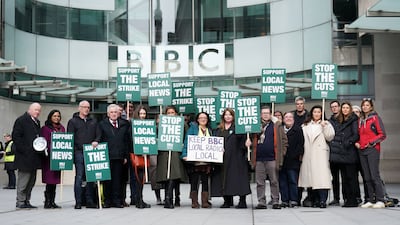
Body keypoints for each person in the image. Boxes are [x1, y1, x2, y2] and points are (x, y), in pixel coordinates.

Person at [211, 108, 252, 209]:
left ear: (233, 117)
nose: (228, 116)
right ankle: (227, 200)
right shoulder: (219, 129)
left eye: (230, 115)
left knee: (239, 179)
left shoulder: (239, 128)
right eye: (226, 115)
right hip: (223, 159)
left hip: (237, 158)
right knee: (224, 179)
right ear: (223, 116)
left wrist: (247, 143)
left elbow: (244, 141)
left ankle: (242, 201)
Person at [298, 105, 335, 208]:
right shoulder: (305, 125)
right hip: (308, 154)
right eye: (315, 112)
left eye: (319, 112)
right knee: (311, 178)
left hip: (320, 155)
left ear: (322, 114)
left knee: (322, 178)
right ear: (312, 113)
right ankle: (314, 200)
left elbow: (330, 137)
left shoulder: (326, 124)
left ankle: (323, 200)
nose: (317, 114)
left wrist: (325, 127)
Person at [67, 100, 101, 209]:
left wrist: (96, 141)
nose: (86, 109)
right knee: (79, 177)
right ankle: (78, 201)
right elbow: (70, 137)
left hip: (91, 151)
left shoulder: (93, 121)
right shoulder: (73, 121)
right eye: (84, 107)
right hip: (79, 152)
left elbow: (99, 134)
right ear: (79, 108)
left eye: (88, 107)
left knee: (91, 177)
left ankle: (89, 200)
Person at [252, 106, 288, 210]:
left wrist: (282, 154)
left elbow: (284, 141)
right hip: (258, 158)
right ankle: (261, 201)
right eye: (263, 113)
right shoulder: (255, 126)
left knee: (274, 181)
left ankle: (275, 201)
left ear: (270, 114)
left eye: (267, 113)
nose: (265, 115)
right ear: (260, 115)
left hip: (272, 158)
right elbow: (250, 138)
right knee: (260, 182)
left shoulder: (277, 125)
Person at [355, 98, 386, 209]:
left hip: (372, 150)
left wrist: (371, 142)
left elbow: (382, 135)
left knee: (374, 175)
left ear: (371, 107)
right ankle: (370, 200)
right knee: (367, 177)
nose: (365, 107)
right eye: (363, 105)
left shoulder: (375, 118)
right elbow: (360, 135)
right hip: (362, 150)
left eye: (367, 105)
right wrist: (358, 143)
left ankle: (380, 200)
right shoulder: (361, 120)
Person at [99, 104, 131, 208]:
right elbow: (99, 138)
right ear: (108, 114)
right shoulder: (102, 124)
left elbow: (127, 141)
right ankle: (107, 201)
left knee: (118, 180)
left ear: (119, 113)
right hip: (107, 156)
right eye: (111, 112)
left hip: (120, 156)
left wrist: (126, 156)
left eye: (115, 112)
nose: (114, 114)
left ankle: (117, 201)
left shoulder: (124, 124)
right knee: (107, 180)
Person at [329, 102, 360, 207]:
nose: (345, 110)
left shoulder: (354, 119)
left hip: (349, 151)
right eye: (344, 108)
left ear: (350, 109)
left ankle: (353, 199)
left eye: (347, 108)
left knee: (351, 177)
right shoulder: (340, 120)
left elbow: (356, 134)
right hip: (342, 153)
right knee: (345, 178)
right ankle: (347, 198)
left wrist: (348, 143)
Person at [12, 102, 42, 209]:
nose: (37, 112)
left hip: (34, 157)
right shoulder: (21, 120)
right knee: (23, 181)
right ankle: (20, 201)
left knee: (31, 181)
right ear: (29, 109)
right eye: (35, 110)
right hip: (24, 157)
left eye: (39, 110)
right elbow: (16, 137)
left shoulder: (37, 122)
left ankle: (26, 200)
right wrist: (25, 150)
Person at [156, 106, 186, 209]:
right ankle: (169, 198)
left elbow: (185, 137)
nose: (171, 114)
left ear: (176, 113)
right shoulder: (161, 124)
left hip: (176, 152)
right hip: (164, 153)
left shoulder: (182, 124)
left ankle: (172, 197)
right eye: (168, 112)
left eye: (172, 112)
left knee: (174, 174)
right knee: (167, 176)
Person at [181, 112, 213, 208]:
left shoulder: (210, 130)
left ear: (207, 120)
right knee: (194, 181)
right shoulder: (192, 129)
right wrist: (185, 154)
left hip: (206, 161)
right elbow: (187, 142)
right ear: (197, 119)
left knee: (205, 181)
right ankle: (194, 201)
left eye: (205, 118)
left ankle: (205, 201)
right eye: (201, 118)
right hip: (195, 161)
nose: (203, 119)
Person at [40, 110, 65, 209]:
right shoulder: (45, 128)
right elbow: (44, 142)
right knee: (49, 181)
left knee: (55, 181)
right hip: (49, 158)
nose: (57, 118)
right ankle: (47, 202)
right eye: (54, 116)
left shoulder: (62, 128)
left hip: (58, 158)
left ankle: (52, 201)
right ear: (50, 117)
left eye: (58, 116)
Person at [279, 112, 304, 208]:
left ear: (293, 119)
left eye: (290, 117)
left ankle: (294, 200)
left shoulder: (298, 130)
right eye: (286, 117)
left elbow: (301, 145)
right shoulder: (280, 130)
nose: (288, 118)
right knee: (283, 181)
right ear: (283, 119)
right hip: (282, 160)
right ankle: (285, 200)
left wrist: (295, 155)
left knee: (293, 181)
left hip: (293, 160)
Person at [131, 105, 151, 209]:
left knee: (141, 179)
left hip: (145, 155)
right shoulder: (132, 125)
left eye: (144, 114)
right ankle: (137, 200)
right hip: (135, 155)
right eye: (141, 114)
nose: (142, 116)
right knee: (136, 178)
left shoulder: (148, 125)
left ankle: (139, 199)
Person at [328, 100, 343, 206]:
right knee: (335, 178)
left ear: (339, 107)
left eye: (336, 106)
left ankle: (346, 197)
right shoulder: (329, 121)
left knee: (346, 177)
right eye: (332, 107)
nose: (334, 108)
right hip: (333, 152)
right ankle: (336, 198)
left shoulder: (344, 119)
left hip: (343, 152)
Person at [150, 114, 164, 205]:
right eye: (159, 118)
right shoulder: (152, 129)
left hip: (164, 152)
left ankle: (168, 196)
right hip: (154, 152)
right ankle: (158, 197)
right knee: (154, 173)